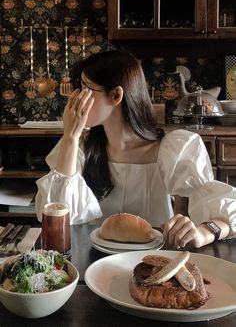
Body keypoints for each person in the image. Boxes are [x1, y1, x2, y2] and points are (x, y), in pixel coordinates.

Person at [35, 50, 236, 248]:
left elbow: (225, 209)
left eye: (86, 89)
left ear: (116, 95)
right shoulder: (80, 146)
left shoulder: (174, 149)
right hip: (91, 265)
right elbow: (55, 218)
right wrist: (70, 136)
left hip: (153, 266)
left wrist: (203, 232)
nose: (76, 98)